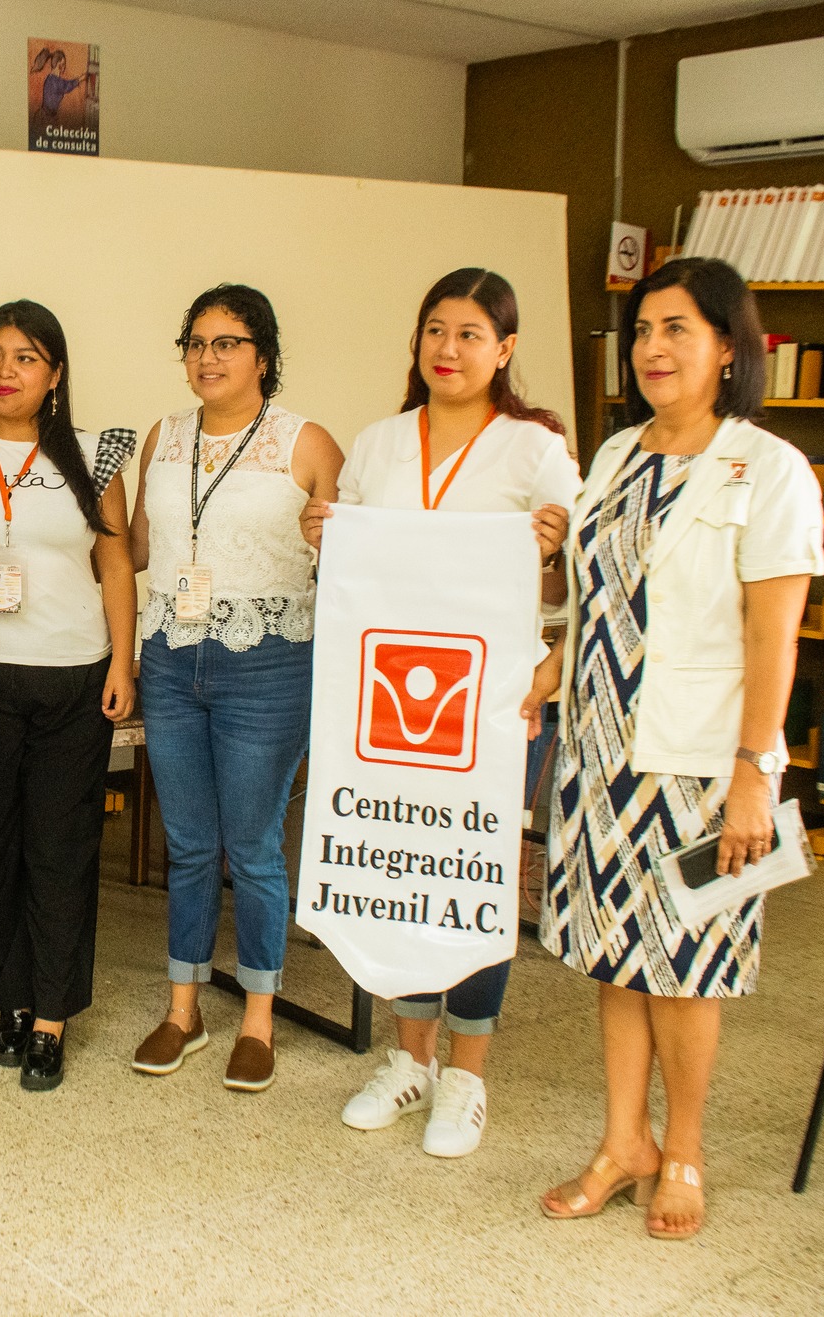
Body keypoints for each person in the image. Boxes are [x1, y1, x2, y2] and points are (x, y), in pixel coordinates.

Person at [529, 257, 823, 1239]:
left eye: (676, 330)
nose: (652, 349)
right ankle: (623, 1142)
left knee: (685, 965)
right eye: (643, 330)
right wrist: (556, 663)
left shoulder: (768, 469)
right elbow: (600, 598)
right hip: (600, 750)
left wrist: (754, 776)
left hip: (700, 764)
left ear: (728, 348)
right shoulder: (613, 456)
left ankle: (683, 1147)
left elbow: (769, 638)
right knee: (615, 957)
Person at [300, 267, 581, 1157]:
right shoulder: (380, 443)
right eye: (434, 330)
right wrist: (323, 532)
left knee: (471, 876)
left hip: (488, 705)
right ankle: (408, 1058)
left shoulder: (535, 450)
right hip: (386, 707)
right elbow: (356, 568)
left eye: (469, 334)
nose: (448, 349)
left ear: (503, 350)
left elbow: (590, 576)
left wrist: (556, 548)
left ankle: (466, 1076)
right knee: (399, 867)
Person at [128, 283, 342, 1092]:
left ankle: (258, 1015)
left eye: (227, 342)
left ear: (263, 355)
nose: (207, 356)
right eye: (195, 341)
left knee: (250, 848)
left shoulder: (306, 440)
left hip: (269, 662)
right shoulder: (163, 436)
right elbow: (141, 547)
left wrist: (336, 537)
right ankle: (183, 1008)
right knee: (186, 843)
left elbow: (351, 561)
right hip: (173, 658)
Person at [0, 300, 137, 1092]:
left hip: (74, 674)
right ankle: (10, 998)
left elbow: (116, 565)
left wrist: (124, 662)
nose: (5, 371)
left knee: (60, 849)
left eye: (25, 357)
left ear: (54, 375)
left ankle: (50, 1015)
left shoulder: (96, 452)